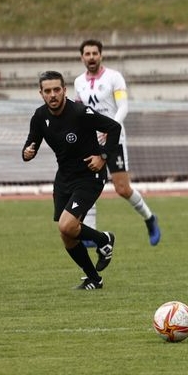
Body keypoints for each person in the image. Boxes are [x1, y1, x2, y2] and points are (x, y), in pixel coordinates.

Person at [22, 70, 121, 290]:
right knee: (66, 234)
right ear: (41, 93)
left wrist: (103, 156)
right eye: (47, 91)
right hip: (64, 178)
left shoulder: (79, 112)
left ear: (65, 90)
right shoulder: (39, 117)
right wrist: (27, 152)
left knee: (68, 225)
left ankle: (104, 240)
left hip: (89, 175)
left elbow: (114, 128)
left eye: (57, 89)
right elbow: (31, 144)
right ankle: (94, 279)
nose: (53, 95)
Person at [74, 39, 161, 245]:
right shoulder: (79, 82)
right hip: (90, 141)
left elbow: (123, 107)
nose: (91, 57)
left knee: (122, 188)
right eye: (87, 54)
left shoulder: (114, 77)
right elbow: (78, 111)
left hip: (114, 140)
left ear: (101, 55)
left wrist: (111, 127)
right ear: (82, 57)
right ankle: (90, 234)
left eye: (95, 53)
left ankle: (150, 218)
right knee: (87, 184)